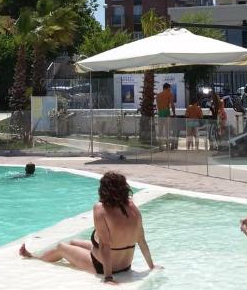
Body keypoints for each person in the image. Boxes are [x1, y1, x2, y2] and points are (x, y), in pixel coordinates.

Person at [19, 171, 158, 283]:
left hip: (103, 267)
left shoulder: (101, 209)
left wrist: (108, 277)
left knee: (61, 247)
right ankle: (52, 255)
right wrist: (151, 266)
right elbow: (142, 241)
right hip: (125, 265)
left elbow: (104, 245)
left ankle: (35, 260)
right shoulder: (133, 208)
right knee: (74, 242)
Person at [155, 83, 175, 149]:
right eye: (170, 88)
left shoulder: (158, 95)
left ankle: (160, 145)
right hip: (166, 112)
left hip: (160, 112)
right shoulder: (169, 94)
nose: (170, 90)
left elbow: (158, 105)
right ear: (167, 88)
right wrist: (174, 113)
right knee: (167, 129)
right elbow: (172, 104)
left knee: (160, 130)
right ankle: (167, 145)